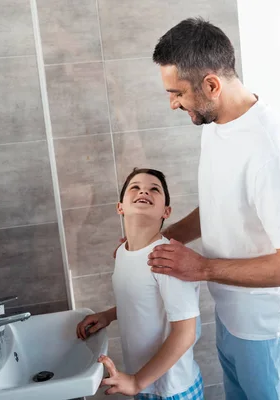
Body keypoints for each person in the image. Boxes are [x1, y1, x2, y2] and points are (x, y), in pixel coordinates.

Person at [145, 18, 280, 400]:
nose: (172, 103)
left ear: (211, 85)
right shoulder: (216, 124)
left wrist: (202, 268)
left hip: (270, 331)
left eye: (176, 93)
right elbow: (221, 206)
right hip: (232, 317)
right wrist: (159, 239)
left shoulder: (269, 149)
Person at [77, 168, 204, 400]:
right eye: (135, 187)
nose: (144, 190)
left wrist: (136, 381)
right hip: (147, 383)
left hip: (171, 389)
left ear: (166, 211)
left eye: (154, 189)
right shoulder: (124, 253)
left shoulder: (167, 258)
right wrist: (108, 315)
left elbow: (185, 333)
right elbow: (146, 301)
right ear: (120, 207)